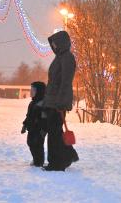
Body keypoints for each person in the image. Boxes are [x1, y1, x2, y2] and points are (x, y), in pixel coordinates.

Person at [43, 30, 79, 171]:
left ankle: (57, 163)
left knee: (54, 134)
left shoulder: (67, 58)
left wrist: (61, 102)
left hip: (58, 102)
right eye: (52, 44)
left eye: (55, 43)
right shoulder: (60, 57)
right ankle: (66, 157)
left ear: (61, 43)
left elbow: (65, 82)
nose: (53, 46)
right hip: (53, 101)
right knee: (54, 132)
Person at [21, 81, 47, 167]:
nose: (31, 91)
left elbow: (45, 118)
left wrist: (44, 129)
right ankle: (36, 159)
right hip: (31, 128)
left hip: (39, 129)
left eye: (33, 90)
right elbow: (28, 116)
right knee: (30, 142)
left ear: (39, 91)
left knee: (38, 144)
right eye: (31, 89)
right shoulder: (32, 103)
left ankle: (39, 161)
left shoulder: (42, 104)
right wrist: (24, 125)